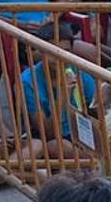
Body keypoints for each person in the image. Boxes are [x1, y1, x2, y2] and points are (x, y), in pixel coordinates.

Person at [18, 21, 97, 154]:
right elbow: (47, 133)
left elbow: (101, 113)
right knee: (59, 145)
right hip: (51, 139)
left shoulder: (80, 73)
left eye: (64, 52)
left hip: (82, 136)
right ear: (41, 51)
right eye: (52, 51)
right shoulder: (28, 81)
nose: (59, 57)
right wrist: (63, 95)